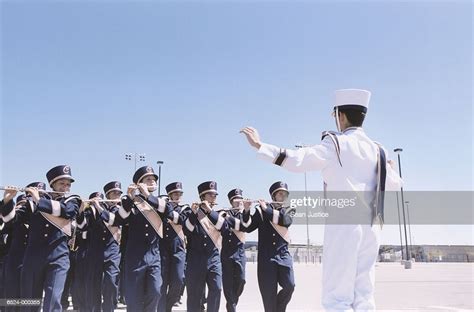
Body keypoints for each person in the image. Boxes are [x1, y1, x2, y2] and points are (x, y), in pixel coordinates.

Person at [240, 89, 403, 311]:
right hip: (372, 226)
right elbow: (395, 183)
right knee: (364, 294)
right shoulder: (378, 150)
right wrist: (391, 169)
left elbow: (298, 160)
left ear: (341, 116)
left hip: (345, 225)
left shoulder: (336, 144)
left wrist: (261, 145)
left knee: (337, 297)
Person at [1, 165, 81, 312]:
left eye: (68, 184)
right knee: (30, 302)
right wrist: (7, 201)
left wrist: (39, 200)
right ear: (52, 185)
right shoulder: (32, 203)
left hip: (59, 257)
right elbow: (10, 220)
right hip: (33, 257)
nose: (65, 187)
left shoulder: (72, 200)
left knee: (53, 300)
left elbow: (67, 212)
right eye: (61, 184)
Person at [243, 182, 295, 312]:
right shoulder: (260, 211)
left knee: (290, 285)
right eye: (280, 193)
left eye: (285, 194)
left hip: (283, 256)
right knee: (268, 296)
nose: (283, 196)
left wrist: (266, 209)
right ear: (273, 195)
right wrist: (247, 210)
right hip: (266, 259)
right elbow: (248, 227)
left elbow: (286, 221)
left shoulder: (289, 208)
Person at [182, 181, 222, 312]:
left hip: (213, 258)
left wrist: (210, 211)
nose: (213, 197)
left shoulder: (218, 215)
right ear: (202, 197)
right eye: (210, 195)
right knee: (194, 295)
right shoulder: (192, 214)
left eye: (215, 195)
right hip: (195, 260)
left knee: (216, 289)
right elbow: (186, 230)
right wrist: (194, 214)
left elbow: (225, 228)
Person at [157, 182, 188, 312]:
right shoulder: (162, 207)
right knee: (162, 283)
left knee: (178, 280)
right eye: (175, 193)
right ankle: (162, 309)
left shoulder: (185, 209)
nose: (178, 196)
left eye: (180, 193)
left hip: (178, 249)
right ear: (169, 195)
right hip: (163, 248)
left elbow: (182, 220)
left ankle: (168, 306)